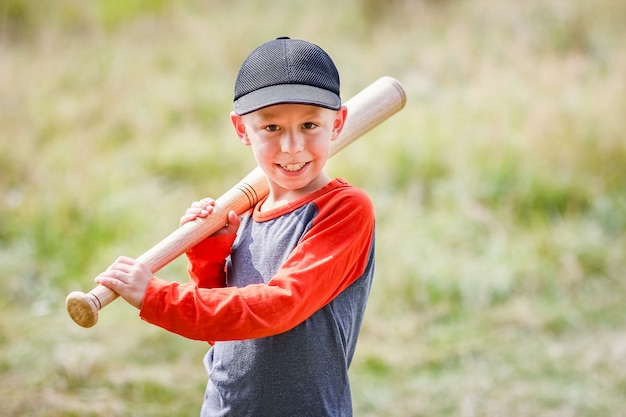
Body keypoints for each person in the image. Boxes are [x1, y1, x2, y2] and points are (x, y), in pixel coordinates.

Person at [95, 36, 375, 417]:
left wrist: (157, 297)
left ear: (338, 122)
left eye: (310, 124)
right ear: (242, 129)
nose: (292, 146)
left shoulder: (343, 210)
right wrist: (210, 256)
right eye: (271, 127)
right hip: (225, 408)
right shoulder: (244, 213)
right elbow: (225, 334)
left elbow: (279, 307)